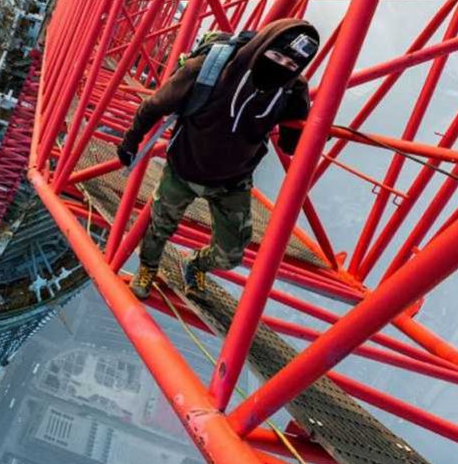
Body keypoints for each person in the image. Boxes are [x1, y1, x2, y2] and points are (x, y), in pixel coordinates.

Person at [116, 18, 320, 299]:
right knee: (158, 228)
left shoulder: (290, 89)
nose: (281, 67)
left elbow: (289, 143)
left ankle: (196, 262)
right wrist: (130, 141)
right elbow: (155, 105)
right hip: (184, 169)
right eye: (275, 56)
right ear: (261, 47)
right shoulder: (210, 68)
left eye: (290, 65)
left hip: (232, 181)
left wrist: (309, 127)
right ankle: (148, 268)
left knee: (231, 255)